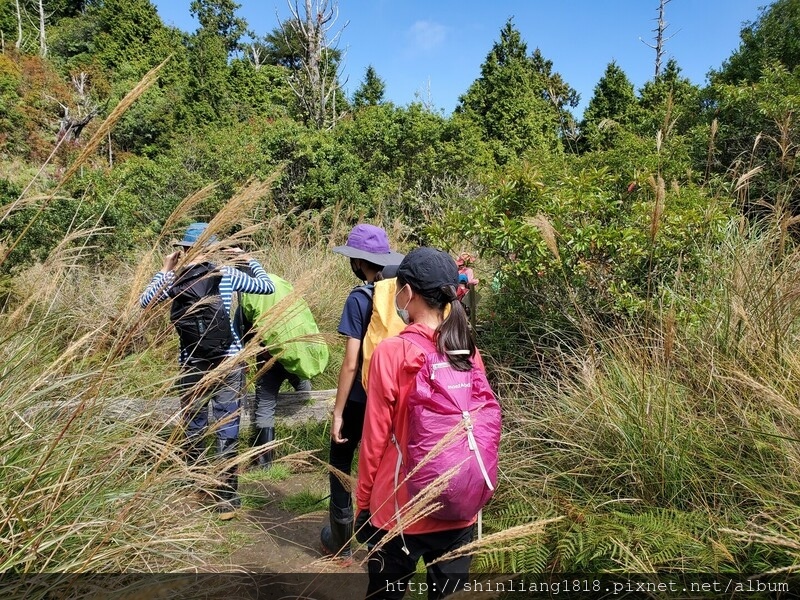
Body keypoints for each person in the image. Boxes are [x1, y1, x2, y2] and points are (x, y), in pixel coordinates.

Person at [356, 247, 487, 599]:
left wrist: (363, 506)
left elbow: (375, 439)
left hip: (397, 507)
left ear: (407, 292)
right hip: (459, 505)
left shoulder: (391, 351)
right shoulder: (466, 350)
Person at [139, 222, 275, 520]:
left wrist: (164, 269)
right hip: (229, 360)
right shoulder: (226, 273)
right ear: (212, 250)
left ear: (185, 250)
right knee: (227, 424)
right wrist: (250, 260)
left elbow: (144, 302)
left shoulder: (175, 279)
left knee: (195, 424)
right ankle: (227, 497)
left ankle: (199, 486)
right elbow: (267, 286)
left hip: (191, 362)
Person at [320, 223, 404, 561]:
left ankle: (339, 540)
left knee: (341, 458)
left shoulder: (359, 298)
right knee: (383, 467)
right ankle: (378, 542)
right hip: (392, 398)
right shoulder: (405, 291)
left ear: (357, 261)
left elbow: (351, 363)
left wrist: (338, 412)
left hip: (359, 399)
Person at [238, 273, 329, 468]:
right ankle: (310, 436)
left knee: (265, 405)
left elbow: (244, 332)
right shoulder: (279, 282)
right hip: (298, 351)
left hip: (271, 357)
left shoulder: (248, 293)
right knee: (302, 386)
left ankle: (265, 463)